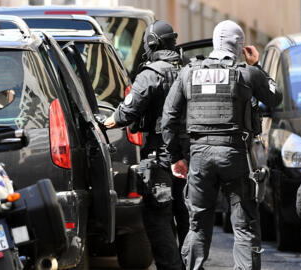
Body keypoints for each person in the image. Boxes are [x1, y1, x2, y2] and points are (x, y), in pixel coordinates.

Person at [161, 20, 282, 270]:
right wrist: (256, 65)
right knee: (244, 225)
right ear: (238, 45)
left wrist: (176, 157)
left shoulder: (189, 72)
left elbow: (169, 117)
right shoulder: (247, 73)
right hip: (235, 155)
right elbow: (274, 96)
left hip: (199, 156)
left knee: (197, 225)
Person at [104, 20, 187, 270]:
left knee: (159, 217)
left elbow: (126, 113)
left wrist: (102, 123)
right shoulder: (191, 70)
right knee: (188, 216)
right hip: (191, 155)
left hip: (161, 156)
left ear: (151, 44)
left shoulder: (151, 73)